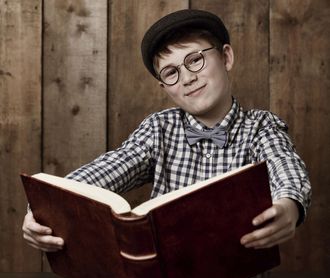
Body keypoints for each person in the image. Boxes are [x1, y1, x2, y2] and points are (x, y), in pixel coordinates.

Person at [22, 9, 311, 253]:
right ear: (165, 87)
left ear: (226, 57)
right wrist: (44, 206)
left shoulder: (261, 127)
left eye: (195, 59)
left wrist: (288, 206)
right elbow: (107, 168)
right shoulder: (159, 129)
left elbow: (285, 167)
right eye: (171, 73)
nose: (187, 78)